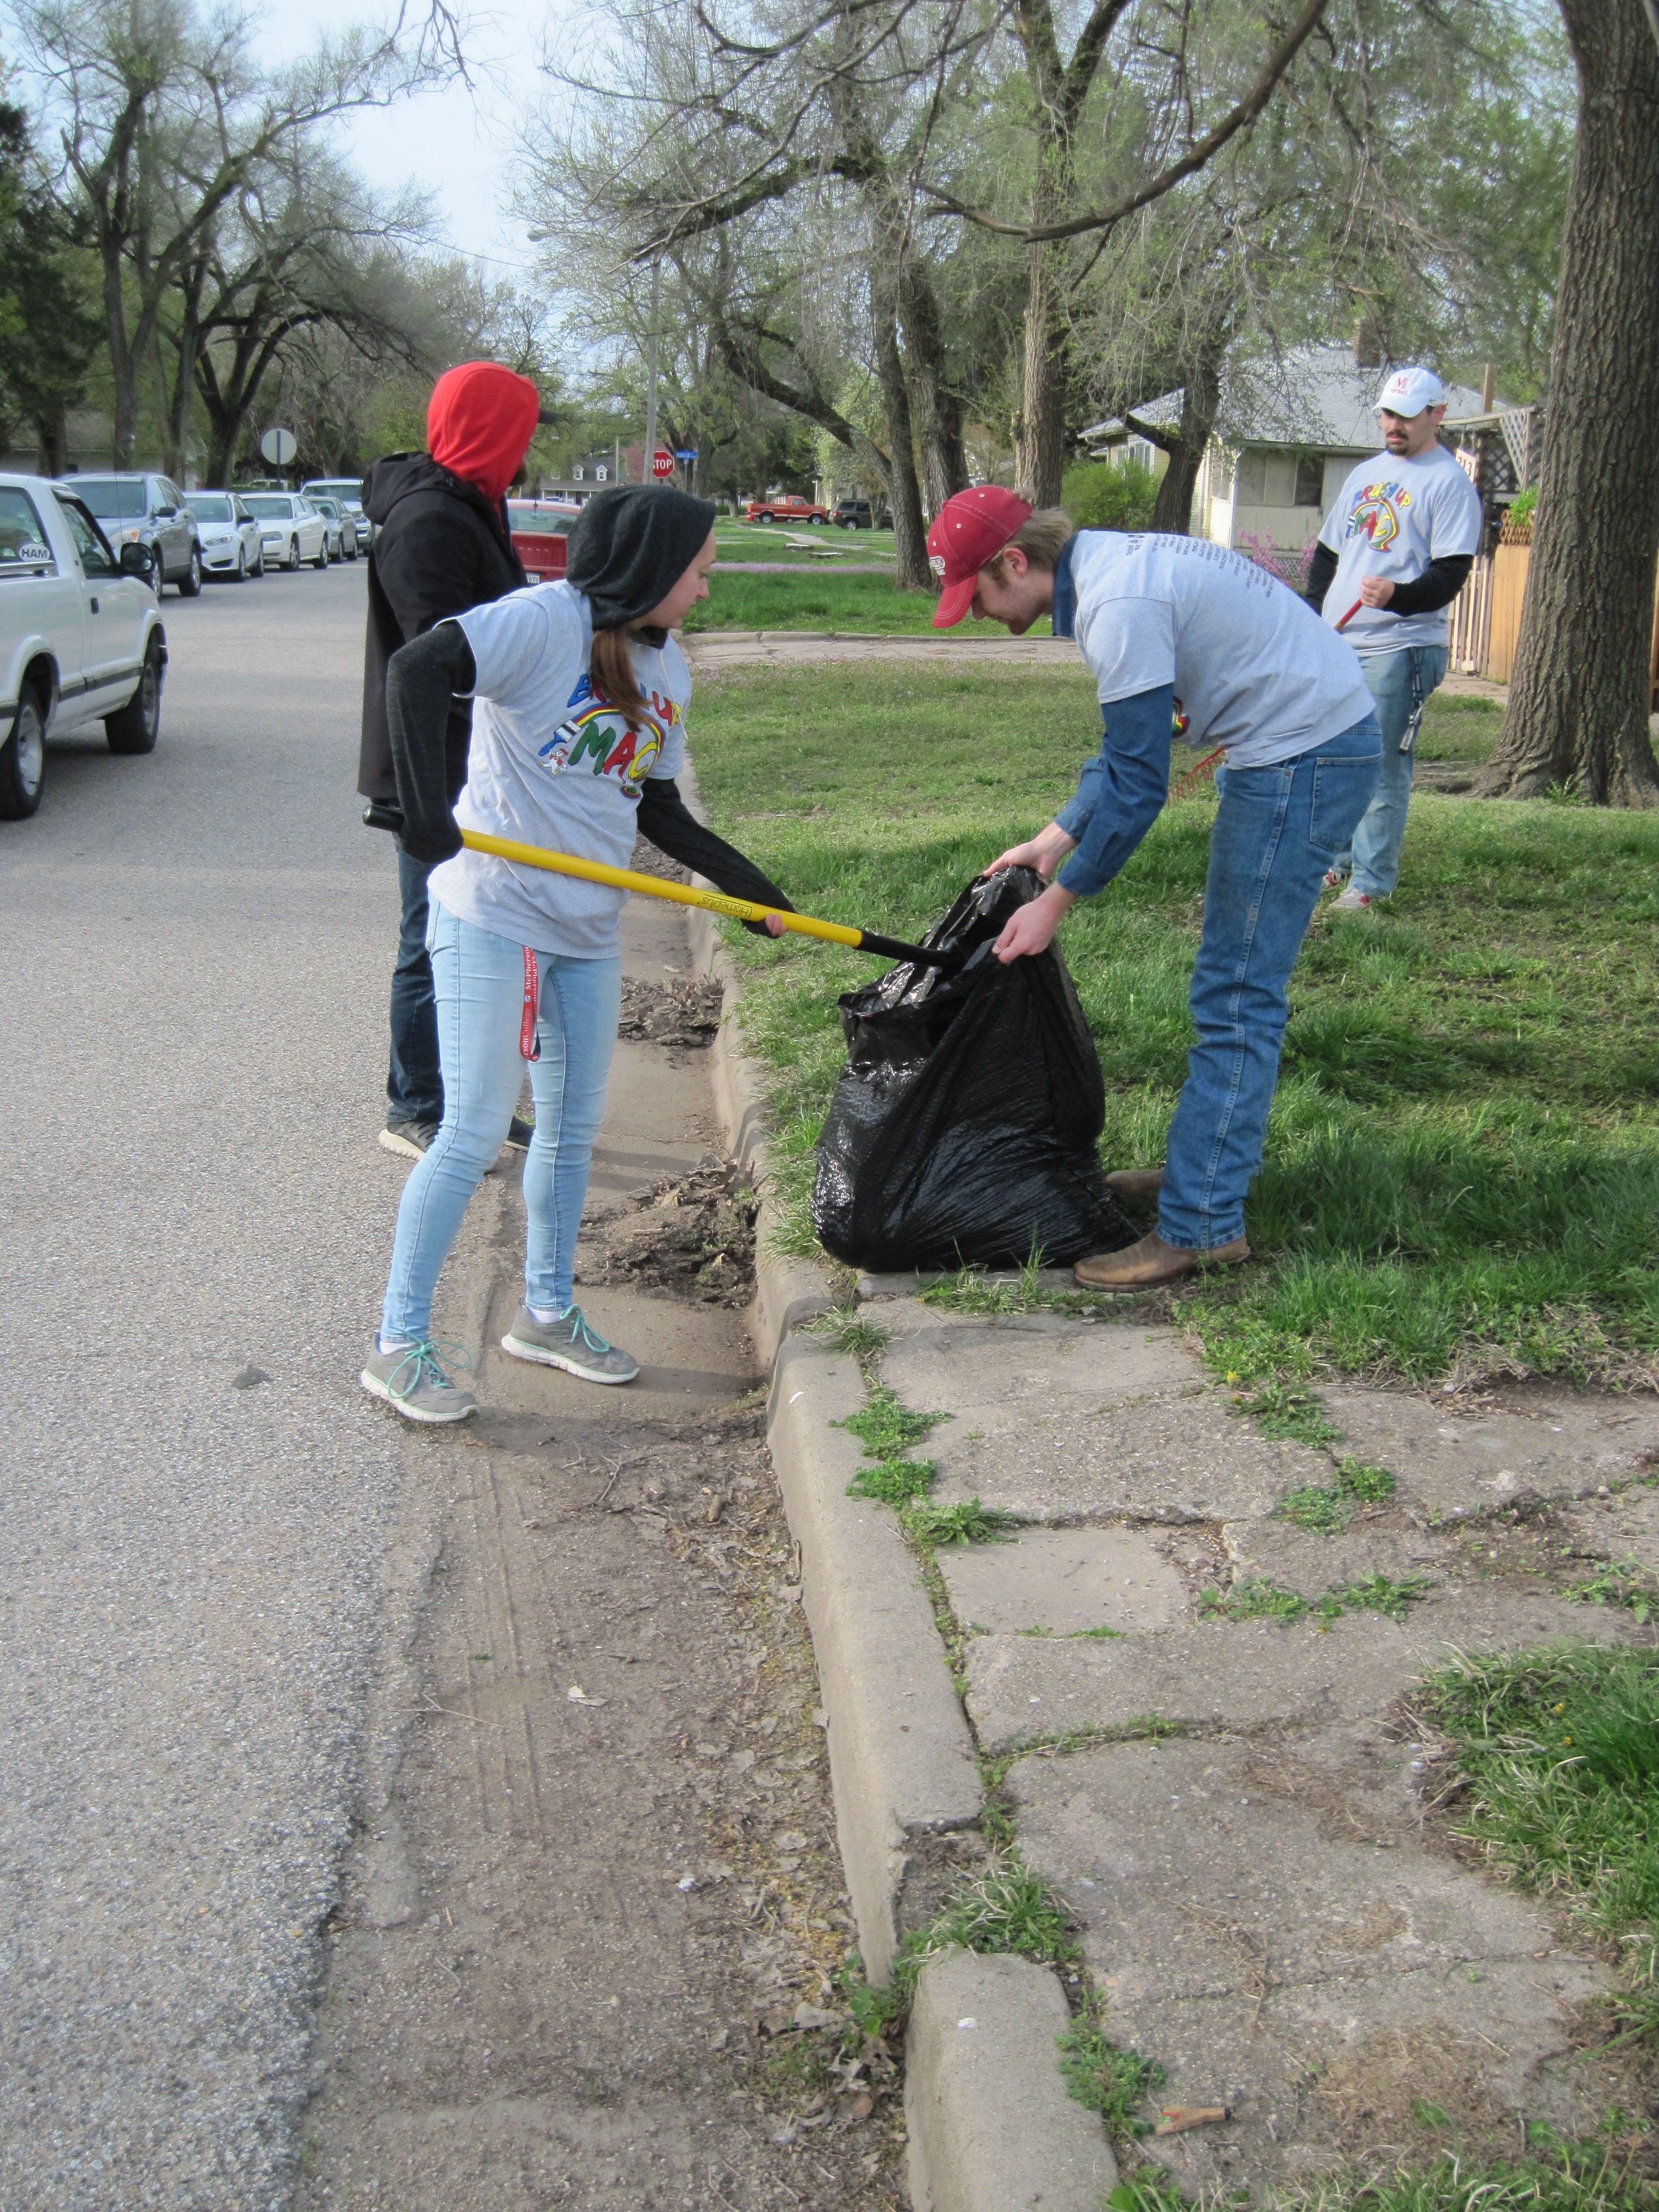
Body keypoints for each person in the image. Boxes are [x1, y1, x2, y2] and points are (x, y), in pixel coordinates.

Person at [361, 484, 793, 1423]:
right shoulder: (539, 622)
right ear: (649, 569)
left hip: (587, 931)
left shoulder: (666, 665)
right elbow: (417, 671)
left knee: (568, 1131)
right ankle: (398, 1344)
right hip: (495, 914)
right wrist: (427, 816)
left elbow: (660, 808)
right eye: (700, 572)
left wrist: (746, 885)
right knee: (473, 1133)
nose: (707, 589)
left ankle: (546, 1315)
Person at [926, 485, 1381, 1291]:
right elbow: (1131, 746)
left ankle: (1203, 1227)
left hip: (1303, 757)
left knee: (1237, 996)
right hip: (1298, 744)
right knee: (1230, 990)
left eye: (981, 595)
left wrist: (1056, 902)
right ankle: (1201, 1179)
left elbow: (1139, 788)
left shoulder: (1118, 605)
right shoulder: (1110, 569)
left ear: (1015, 561)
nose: (983, 614)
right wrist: (1051, 840)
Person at [358, 359, 541, 1161]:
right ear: (490, 430)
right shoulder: (429, 521)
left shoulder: (476, 503)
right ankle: (416, 1105)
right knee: (431, 939)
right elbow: (438, 654)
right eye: (520, 431)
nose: (526, 448)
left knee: (482, 940)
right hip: (430, 767)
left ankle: (473, 1100)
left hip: (480, 763)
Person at [1307, 364, 1483, 911]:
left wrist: (1398, 595)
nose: (1393, 425)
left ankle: (1371, 885)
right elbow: (1328, 554)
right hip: (1340, 643)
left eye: (1406, 417)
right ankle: (1335, 867)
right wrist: (1313, 617)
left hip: (1400, 649)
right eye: (1387, 414)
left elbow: (1451, 575)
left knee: (1381, 766)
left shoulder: (1449, 484)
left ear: (1437, 416)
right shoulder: (1365, 474)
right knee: (1334, 758)